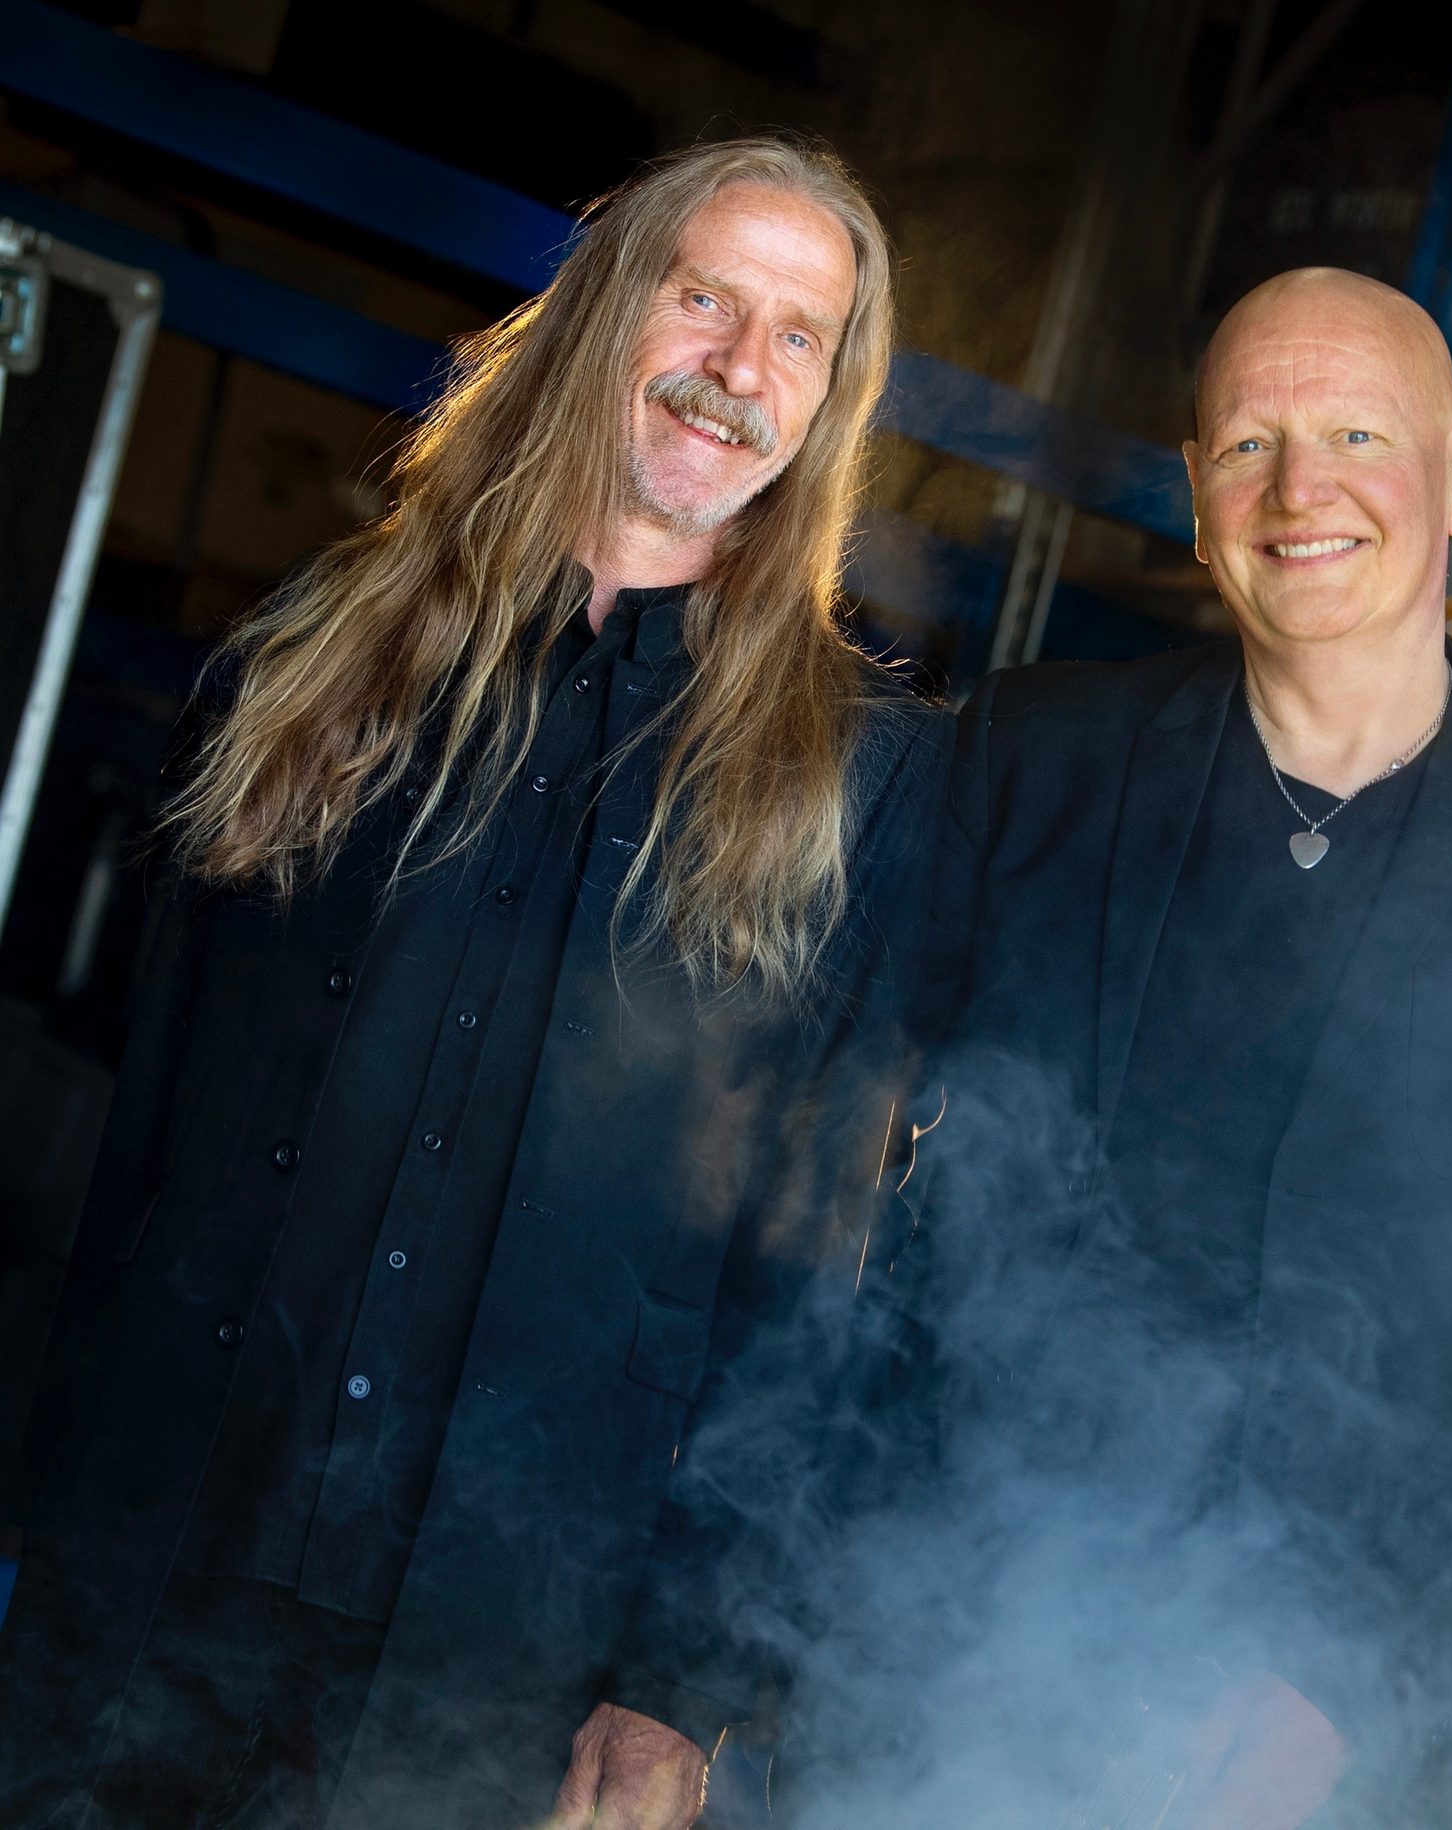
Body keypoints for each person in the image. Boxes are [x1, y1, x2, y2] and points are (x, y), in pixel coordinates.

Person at [0, 135, 944, 1830]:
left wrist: (680, 1682)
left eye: (799, 336)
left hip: (490, 1660)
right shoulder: (325, 646)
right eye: (708, 297)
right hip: (139, 1576)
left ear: (826, 406)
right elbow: (139, 1120)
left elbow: (806, 1287)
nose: (739, 369)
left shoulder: (852, 787)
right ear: (606, 310)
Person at [853, 268, 1452, 1826]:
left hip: (1345, 1748)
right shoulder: (1030, 756)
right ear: (1194, 496)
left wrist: (1338, 1671)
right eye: (1249, 446)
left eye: (1356, 434)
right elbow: (843, 1182)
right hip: (959, 1664)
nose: (1299, 491)